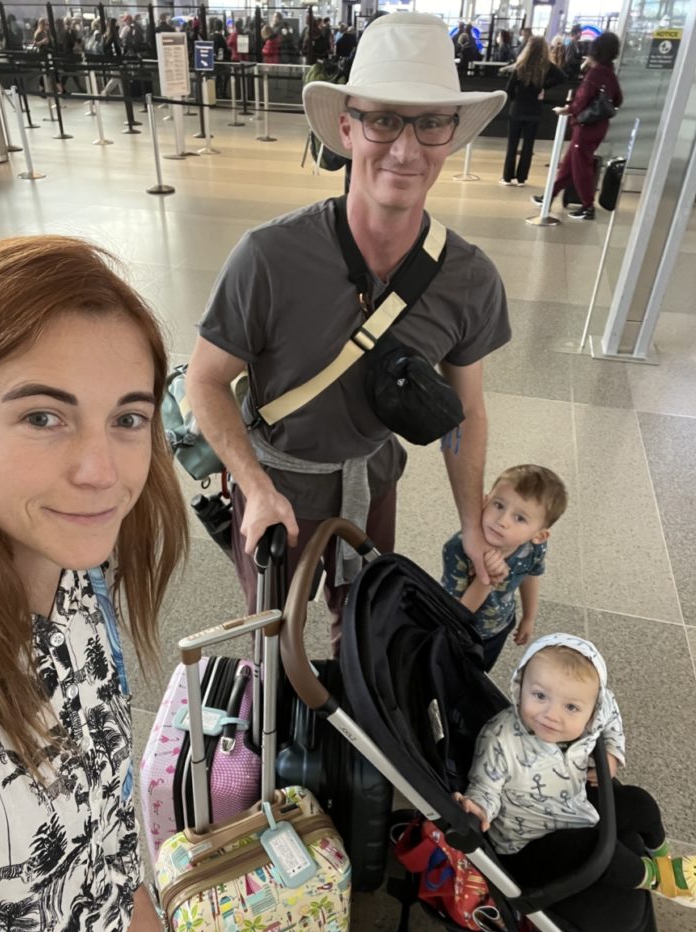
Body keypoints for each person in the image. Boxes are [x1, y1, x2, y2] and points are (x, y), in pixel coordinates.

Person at [185, 13, 510, 647]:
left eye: (431, 123)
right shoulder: (269, 256)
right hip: (276, 482)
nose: (407, 149)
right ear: (347, 126)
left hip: (372, 479)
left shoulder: (470, 278)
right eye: (383, 119)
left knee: (360, 631)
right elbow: (205, 380)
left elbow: (466, 411)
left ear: (451, 136)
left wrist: (472, 524)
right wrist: (253, 489)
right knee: (274, 636)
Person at [0, 236, 190, 932]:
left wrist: (126, 898)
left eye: (128, 418)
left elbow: (99, 769)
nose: (101, 470)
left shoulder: (78, 576)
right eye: (44, 416)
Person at [456, 634, 696, 905]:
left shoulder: (594, 715)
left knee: (641, 804)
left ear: (591, 711)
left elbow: (611, 710)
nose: (551, 715)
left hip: (574, 805)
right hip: (529, 846)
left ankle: (663, 858)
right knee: (593, 851)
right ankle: (656, 877)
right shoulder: (500, 738)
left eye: (571, 707)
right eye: (539, 695)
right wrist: (478, 807)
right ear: (519, 686)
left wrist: (611, 753)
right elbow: (485, 785)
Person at [442, 465, 567, 670]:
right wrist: (486, 577)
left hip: (499, 627)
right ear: (484, 500)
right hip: (460, 634)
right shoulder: (459, 548)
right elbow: (457, 614)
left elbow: (530, 576)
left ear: (539, 535)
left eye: (520, 518)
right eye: (498, 505)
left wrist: (529, 617)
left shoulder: (533, 547)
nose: (502, 521)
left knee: (479, 673)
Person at [532, 30, 623, 221]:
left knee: (580, 166)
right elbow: (618, 99)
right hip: (599, 126)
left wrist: (569, 109)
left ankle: (588, 206)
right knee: (569, 165)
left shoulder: (595, 73)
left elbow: (581, 100)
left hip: (586, 126)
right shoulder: (610, 73)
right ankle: (548, 197)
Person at [500, 36, 566, 186]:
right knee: (528, 146)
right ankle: (522, 178)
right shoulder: (546, 66)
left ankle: (507, 177)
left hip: (517, 108)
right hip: (534, 109)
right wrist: (543, 87)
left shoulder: (520, 65)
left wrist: (515, 98)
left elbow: (509, 89)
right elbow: (562, 77)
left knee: (512, 144)